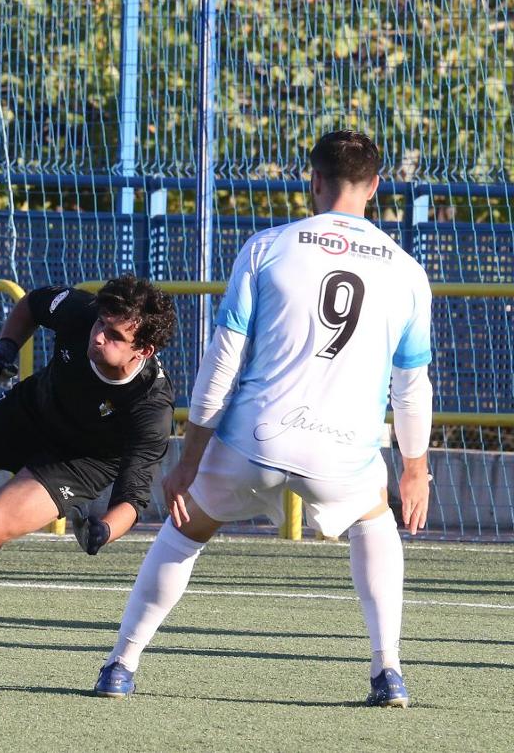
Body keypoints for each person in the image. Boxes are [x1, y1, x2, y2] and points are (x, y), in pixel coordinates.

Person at [92, 131, 433, 708]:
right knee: (374, 522)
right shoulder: (407, 271)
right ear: (375, 187)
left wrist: (189, 460)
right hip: (341, 454)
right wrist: (415, 468)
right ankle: (388, 671)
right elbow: (411, 383)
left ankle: (121, 664)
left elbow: (221, 363)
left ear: (313, 181)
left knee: (182, 534)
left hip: (253, 440)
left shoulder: (267, 247)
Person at [0, 275, 178, 610]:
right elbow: (31, 304)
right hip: (31, 412)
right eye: (101, 323)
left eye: (114, 335)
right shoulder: (80, 312)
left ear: (143, 349)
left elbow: (132, 498)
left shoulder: (151, 407)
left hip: (79, 463)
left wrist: (104, 531)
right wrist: (5, 350)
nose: (98, 337)